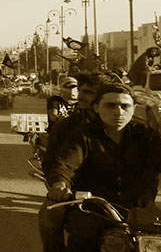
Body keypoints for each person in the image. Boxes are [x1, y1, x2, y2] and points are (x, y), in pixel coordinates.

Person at [46, 83, 161, 251]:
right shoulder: (84, 136)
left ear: (134, 108)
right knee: (83, 234)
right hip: (95, 209)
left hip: (139, 208)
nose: (118, 112)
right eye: (111, 105)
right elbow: (65, 165)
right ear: (97, 108)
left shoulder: (145, 135)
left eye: (125, 106)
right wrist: (60, 185)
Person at [37, 73, 112, 252]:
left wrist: (146, 193)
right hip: (75, 192)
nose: (80, 96)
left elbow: (149, 165)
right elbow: (52, 162)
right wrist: (60, 185)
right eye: (81, 90)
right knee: (49, 216)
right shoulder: (66, 126)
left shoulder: (123, 127)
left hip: (116, 194)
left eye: (88, 92)